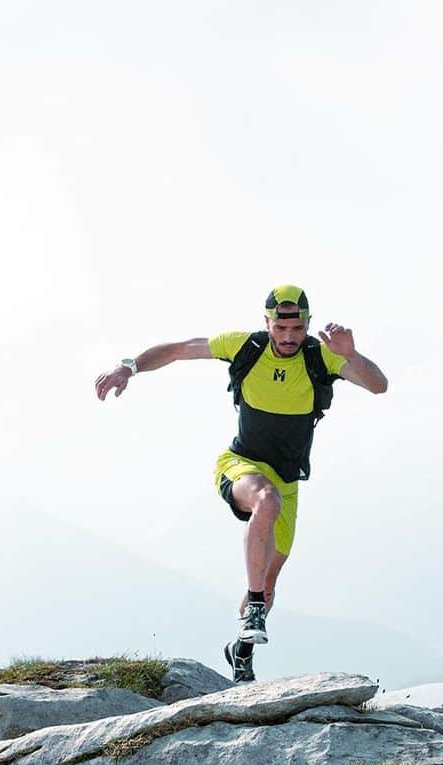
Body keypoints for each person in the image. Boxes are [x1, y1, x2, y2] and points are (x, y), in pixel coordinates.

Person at [94, 285, 388, 683]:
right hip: (241, 464)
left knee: (268, 581)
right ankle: (252, 609)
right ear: (266, 323)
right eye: (280, 328)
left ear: (307, 326)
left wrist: (350, 353)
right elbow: (180, 349)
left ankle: (242, 651)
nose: (288, 337)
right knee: (265, 502)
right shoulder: (245, 347)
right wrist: (128, 367)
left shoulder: (324, 358)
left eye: (297, 328)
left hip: (288, 481)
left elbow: (378, 385)